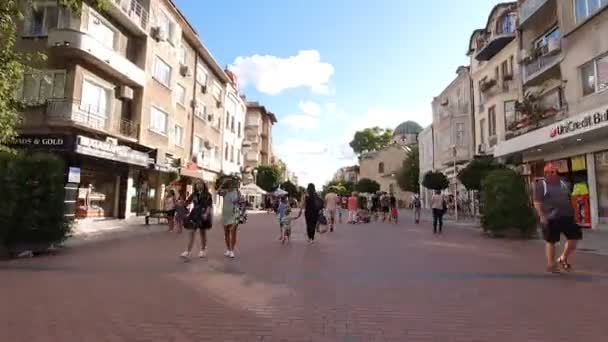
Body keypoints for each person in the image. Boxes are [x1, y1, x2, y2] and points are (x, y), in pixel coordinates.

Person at [534, 163, 582, 273]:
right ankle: (551, 264)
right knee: (551, 241)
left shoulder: (564, 184)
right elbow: (537, 202)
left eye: (553, 172)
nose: (551, 174)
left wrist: (575, 213)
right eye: (549, 172)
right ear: (545, 173)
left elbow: (569, 199)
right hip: (551, 217)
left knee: (574, 239)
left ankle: (563, 258)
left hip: (567, 216)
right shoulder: (541, 185)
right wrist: (541, 215)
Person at [180, 183, 213, 260]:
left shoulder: (208, 195)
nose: (198, 185)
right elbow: (187, 202)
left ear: (203, 185)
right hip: (195, 213)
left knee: (202, 232)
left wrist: (206, 214)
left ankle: (203, 250)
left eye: (200, 183)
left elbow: (209, 206)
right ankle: (187, 251)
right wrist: (183, 203)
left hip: (203, 213)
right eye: (197, 184)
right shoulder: (194, 194)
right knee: (191, 231)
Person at [219, 179, 241, 258]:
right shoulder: (225, 192)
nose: (231, 185)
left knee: (233, 231)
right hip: (225, 214)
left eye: (232, 183)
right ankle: (228, 249)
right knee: (226, 233)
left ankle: (232, 250)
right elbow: (218, 192)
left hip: (235, 214)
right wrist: (223, 183)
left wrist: (239, 197)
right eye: (229, 183)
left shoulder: (237, 192)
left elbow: (240, 201)